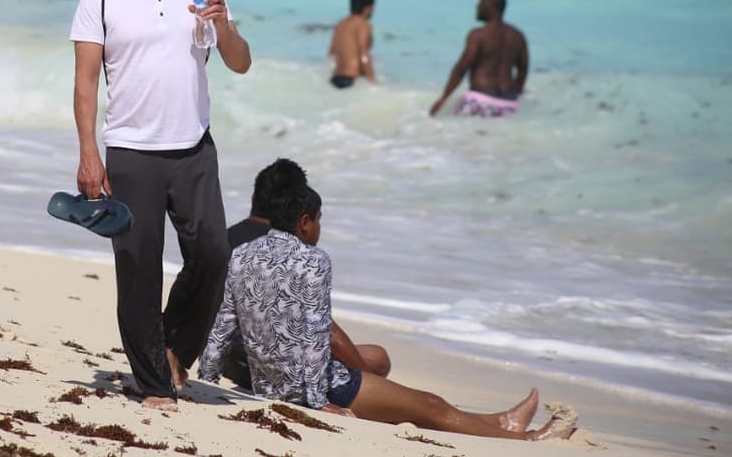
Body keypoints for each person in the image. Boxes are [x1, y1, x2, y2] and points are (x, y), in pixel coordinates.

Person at [198, 163, 577, 440]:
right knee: (431, 406)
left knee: (421, 405)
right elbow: (316, 335)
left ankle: (499, 422)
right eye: (318, 220)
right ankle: (526, 438)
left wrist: (208, 378)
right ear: (304, 222)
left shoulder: (244, 256)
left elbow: (225, 322)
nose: (319, 228)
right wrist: (316, 399)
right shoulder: (313, 260)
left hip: (268, 383)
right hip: (317, 385)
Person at [70, 0, 252, 410]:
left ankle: (173, 352)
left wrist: (223, 24)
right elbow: (86, 83)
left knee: (213, 255)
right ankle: (153, 382)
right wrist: (89, 155)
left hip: (194, 145)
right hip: (129, 150)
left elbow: (239, 62)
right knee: (138, 268)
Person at [221, 158, 390, 390]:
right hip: (270, 369)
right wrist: (366, 378)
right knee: (377, 361)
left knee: (375, 356)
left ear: (253, 198)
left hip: (227, 361)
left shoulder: (224, 239)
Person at [430, 0, 529, 117]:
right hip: (509, 102)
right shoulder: (517, 36)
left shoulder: (478, 35)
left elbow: (462, 67)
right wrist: (516, 93)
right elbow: (523, 69)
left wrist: (444, 98)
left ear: (489, 7)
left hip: (480, 100)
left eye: (480, 4)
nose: (477, 7)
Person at [328, 0, 376, 88]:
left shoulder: (341, 24)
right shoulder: (363, 24)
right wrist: (372, 80)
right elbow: (363, 53)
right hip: (352, 79)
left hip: (335, 78)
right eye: (373, 8)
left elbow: (331, 54)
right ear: (368, 8)